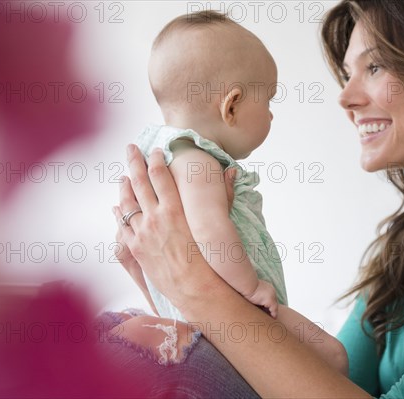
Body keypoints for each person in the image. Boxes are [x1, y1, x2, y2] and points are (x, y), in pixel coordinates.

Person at [113, 0, 404, 397]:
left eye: (374, 66)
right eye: (347, 73)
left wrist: (192, 285)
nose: (345, 97)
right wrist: (163, 282)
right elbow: (323, 383)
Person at [113, 10, 348, 375]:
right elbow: (210, 231)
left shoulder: (161, 155)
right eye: (268, 100)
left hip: (198, 312)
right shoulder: (198, 160)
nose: (271, 115)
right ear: (232, 105)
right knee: (333, 358)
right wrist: (252, 288)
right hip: (238, 307)